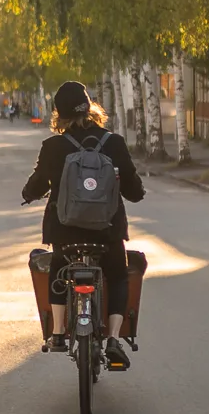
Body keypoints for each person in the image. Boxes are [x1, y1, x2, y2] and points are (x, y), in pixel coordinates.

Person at [22, 81, 145, 368]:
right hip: (108, 230)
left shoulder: (52, 146)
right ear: (90, 108)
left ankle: (57, 334)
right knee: (117, 274)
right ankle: (113, 338)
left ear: (59, 115)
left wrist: (28, 194)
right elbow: (133, 189)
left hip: (65, 232)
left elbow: (37, 184)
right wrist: (136, 192)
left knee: (57, 267)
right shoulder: (113, 142)